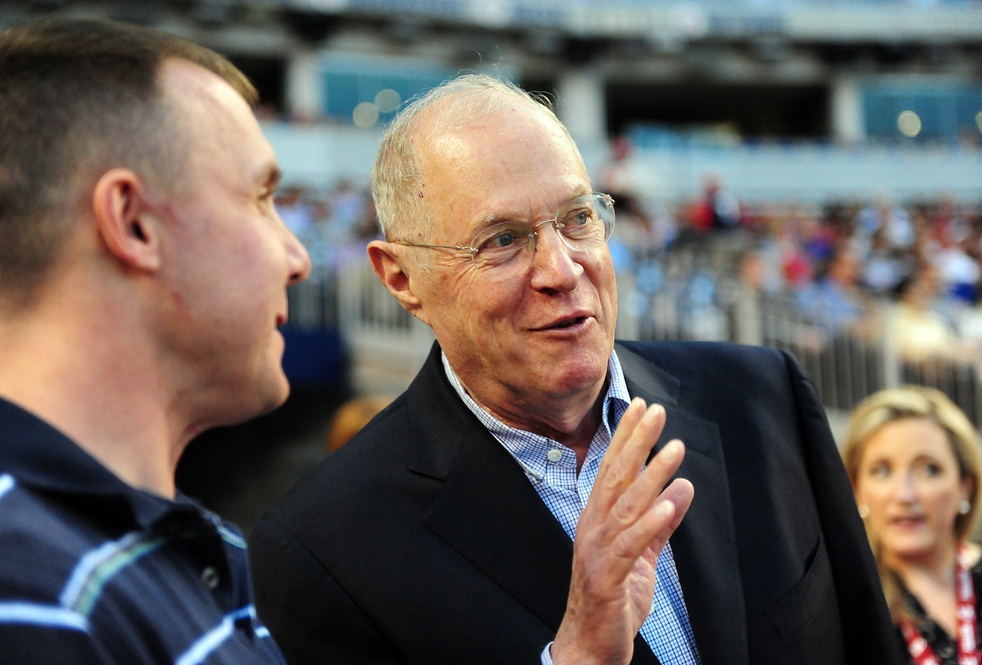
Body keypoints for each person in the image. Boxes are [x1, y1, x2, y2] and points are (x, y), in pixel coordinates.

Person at [248, 73, 901, 665]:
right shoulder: (321, 550)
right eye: (501, 239)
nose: (562, 270)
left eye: (577, 218)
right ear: (401, 277)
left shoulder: (764, 399)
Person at [0, 16, 310, 663]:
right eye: (259, 197)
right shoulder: (30, 594)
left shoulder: (186, 543)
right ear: (134, 222)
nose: (296, 256)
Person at [841, 386, 982, 664]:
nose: (904, 495)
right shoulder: (842, 607)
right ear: (856, 489)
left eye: (928, 469)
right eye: (881, 470)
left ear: (966, 486)